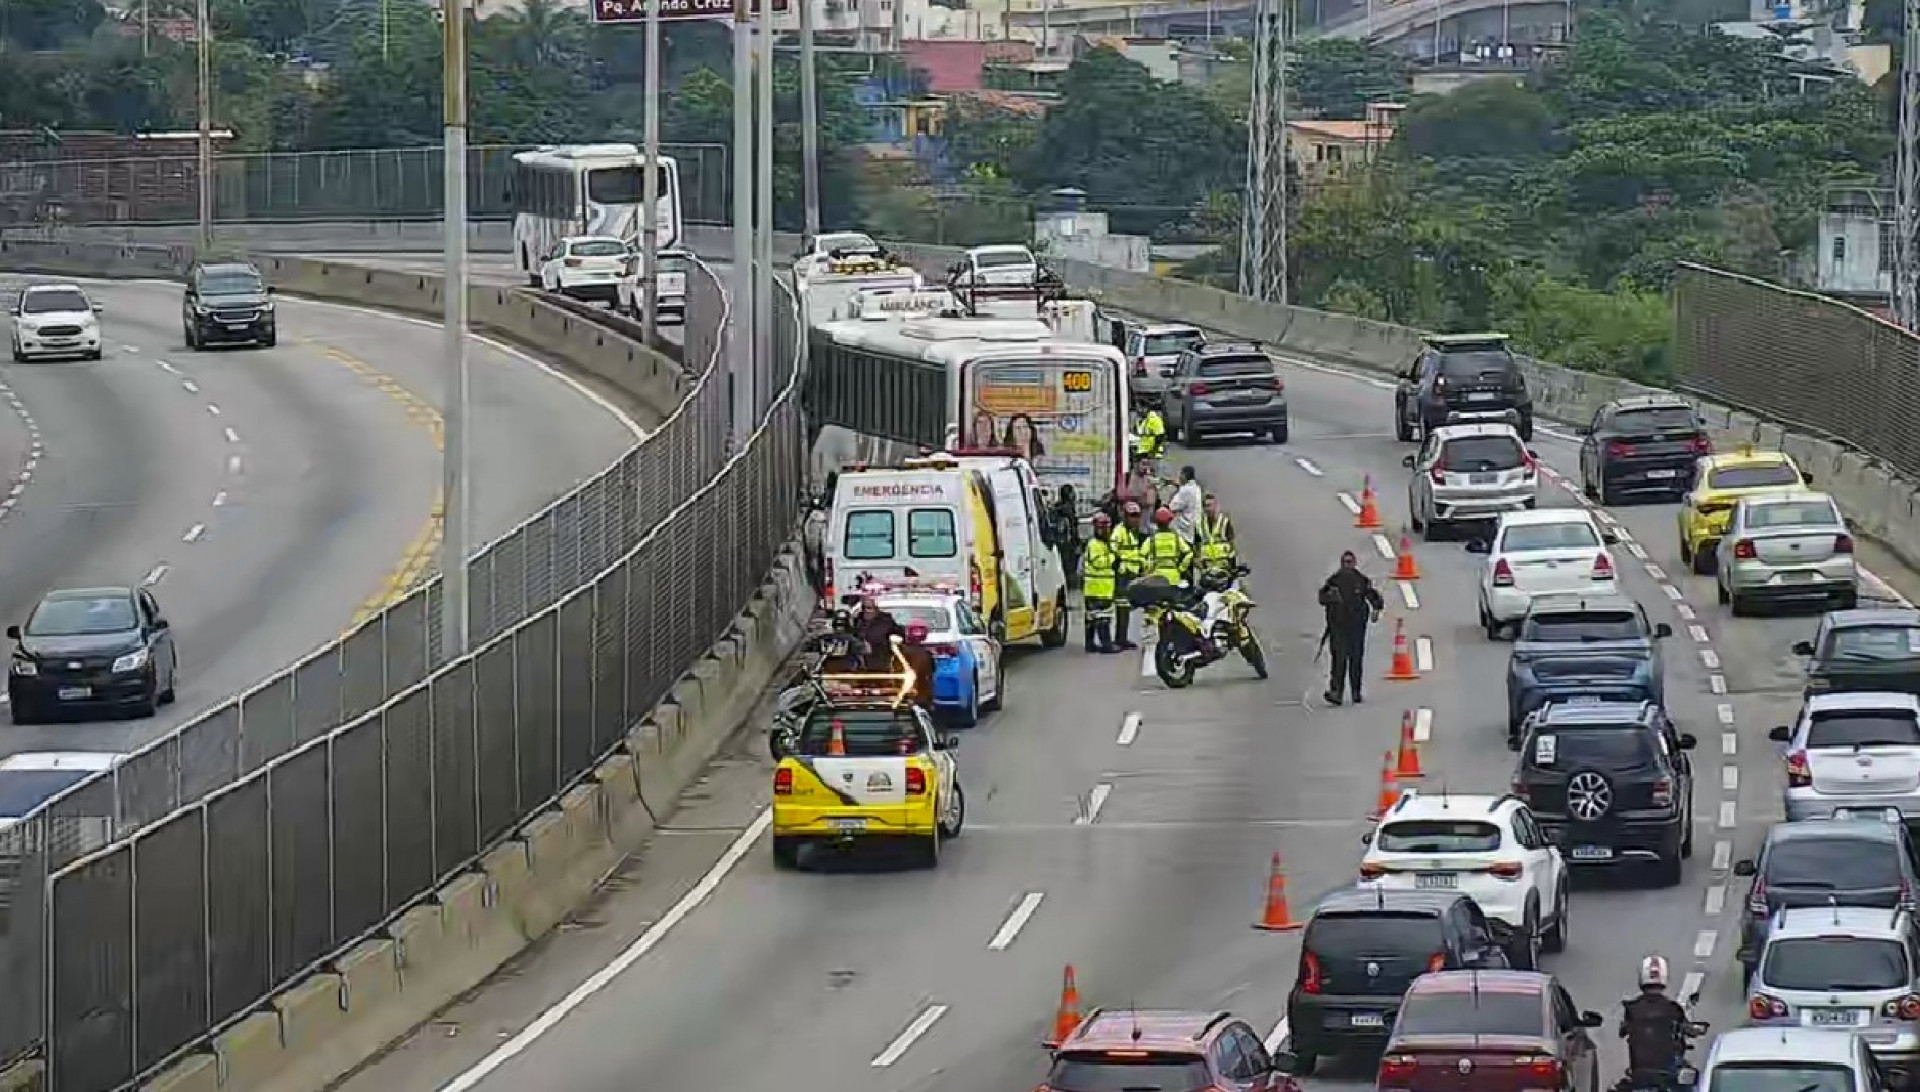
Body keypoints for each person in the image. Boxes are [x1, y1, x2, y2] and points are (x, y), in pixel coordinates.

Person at [1317, 550, 1383, 705]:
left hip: (1356, 625)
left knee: (1356, 658)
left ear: (1354, 563)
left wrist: (1376, 609)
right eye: (1345, 562)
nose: (1347, 565)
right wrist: (1330, 597)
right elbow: (1322, 598)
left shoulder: (1361, 580)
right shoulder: (1333, 581)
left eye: (1350, 562)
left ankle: (1356, 691)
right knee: (1338, 659)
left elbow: (1372, 596)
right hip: (1338, 626)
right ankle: (1336, 692)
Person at [1618, 955, 1692, 1091]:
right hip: (1666, 1074)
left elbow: (1622, 1031)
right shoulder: (1673, 1008)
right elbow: (1688, 1029)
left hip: (1639, 1073)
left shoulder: (1632, 1008)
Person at [1082, 511, 1120, 653]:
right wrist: (1113, 558)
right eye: (1103, 528)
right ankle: (1106, 645)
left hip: (1101, 588)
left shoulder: (1105, 544)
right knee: (1102, 618)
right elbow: (1098, 562)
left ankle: (1090, 644)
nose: (1106, 531)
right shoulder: (1095, 545)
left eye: (1107, 528)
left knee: (1093, 617)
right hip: (1097, 588)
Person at [1111, 501, 1148, 649]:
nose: (1135, 519)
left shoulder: (1132, 533)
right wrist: (1120, 566)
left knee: (1126, 608)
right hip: (1123, 575)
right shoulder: (1119, 532)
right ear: (1125, 517)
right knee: (1122, 607)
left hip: (1131, 574)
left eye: (1137, 516)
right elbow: (1113, 551)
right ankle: (1120, 638)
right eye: (1132, 516)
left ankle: (1123, 638)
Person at [1143, 507, 1194, 587]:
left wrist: (1148, 570)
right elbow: (1189, 554)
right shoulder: (1177, 538)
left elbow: (1141, 556)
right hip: (1174, 577)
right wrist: (1180, 569)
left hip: (1156, 577)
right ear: (1169, 521)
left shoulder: (1151, 539)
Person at [851, 595, 903, 669]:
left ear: (876, 609)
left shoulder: (886, 622)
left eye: (869, 608)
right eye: (864, 608)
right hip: (857, 667)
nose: (866, 611)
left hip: (881, 664)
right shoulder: (855, 622)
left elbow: (900, 636)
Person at [900, 621, 939, 709]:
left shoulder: (903, 651)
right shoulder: (926, 652)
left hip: (910, 694)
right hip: (918, 695)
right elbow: (932, 671)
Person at [1197, 492, 1237, 571]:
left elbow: (1232, 543)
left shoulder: (1224, 522)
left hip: (1224, 568)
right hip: (1208, 569)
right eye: (1205, 506)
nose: (1208, 509)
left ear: (1215, 505)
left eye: (1209, 505)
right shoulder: (1200, 524)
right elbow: (1197, 545)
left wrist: (1233, 566)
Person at [1168, 465, 1203, 543]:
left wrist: (1177, 489)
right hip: (1195, 527)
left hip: (1184, 530)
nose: (1179, 477)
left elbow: (1172, 506)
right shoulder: (1197, 488)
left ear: (1184, 475)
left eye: (1180, 474)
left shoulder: (1185, 490)